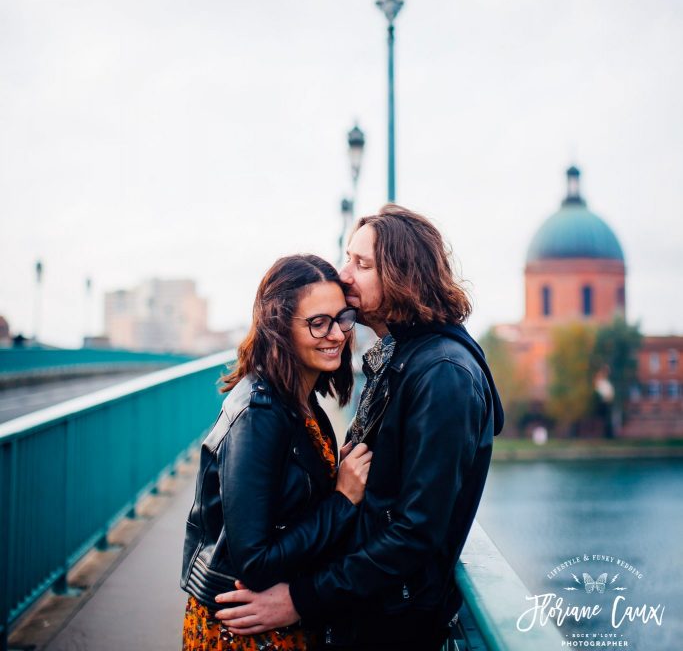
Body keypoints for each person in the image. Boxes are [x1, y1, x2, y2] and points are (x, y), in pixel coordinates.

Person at [216, 205, 504, 650]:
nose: (344, 274)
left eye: (361, 264)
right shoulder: (403, 357)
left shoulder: (443, 374)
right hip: (365, 612)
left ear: (403, 274)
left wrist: (300, 599)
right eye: (347, 258)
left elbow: (415, 533)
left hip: (391, 624)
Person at [180, 253, 373, 651]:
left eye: (342, 319)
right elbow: (254, 561)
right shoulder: (260, 415)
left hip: (274, 624)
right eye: (318, 323)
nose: (336, 334)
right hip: (246, 633)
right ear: (279, 327)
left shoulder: (301, 401)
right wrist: (342, 499)